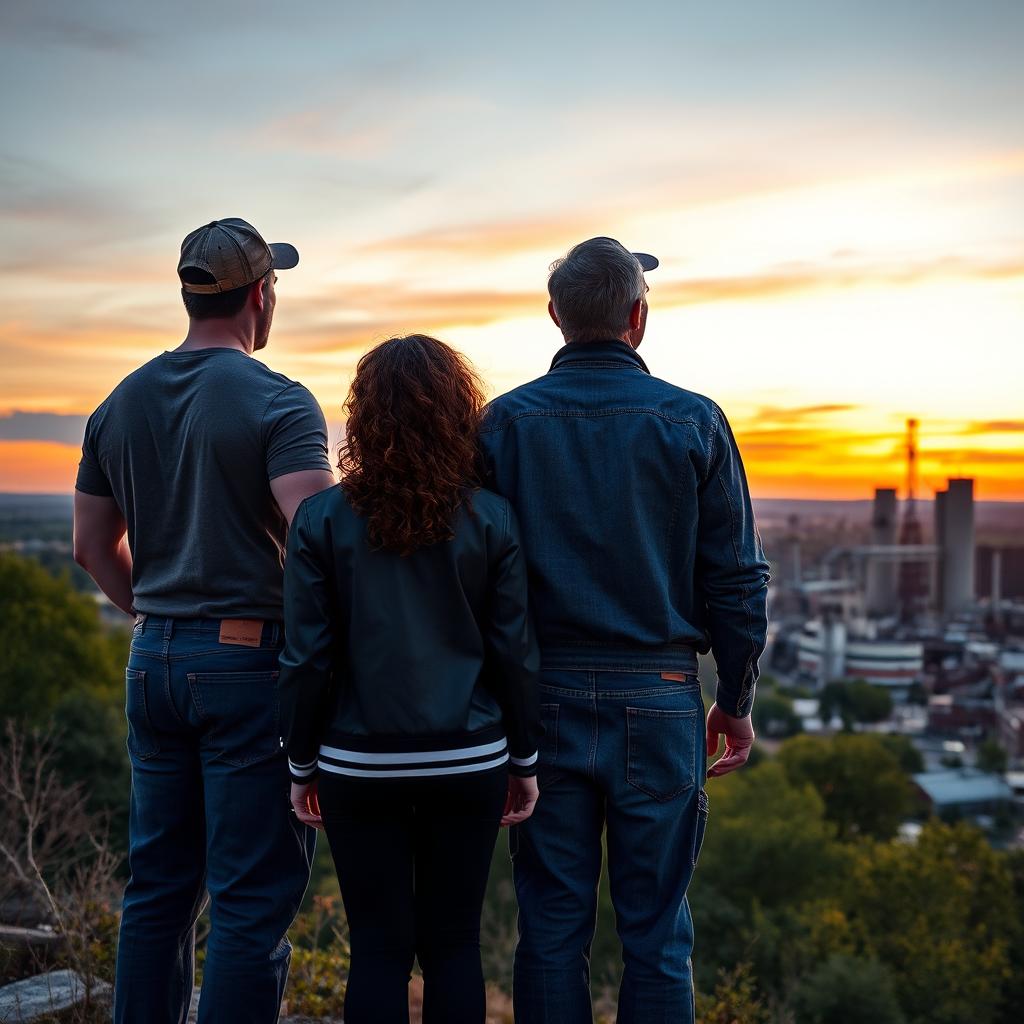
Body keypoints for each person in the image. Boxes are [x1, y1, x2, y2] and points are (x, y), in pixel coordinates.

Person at [478, 237, 771, 1023]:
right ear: (638, 318)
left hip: (541, 703)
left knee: (548, 929)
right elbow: (738, 583)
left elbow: (473, 585)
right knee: (657, 936)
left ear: (556, 318)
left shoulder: (500, 427)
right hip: (662, 697)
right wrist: (735, 700)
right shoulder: (695, 422)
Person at [73, 218, 337, 1024]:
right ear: (261, 295)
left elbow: (90, 549)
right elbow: (321, 538)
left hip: (152, 661)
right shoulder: (278, 401)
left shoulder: (117, 404)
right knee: (250, 902)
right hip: (248, 671)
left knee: (156, 893)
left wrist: (159, 619)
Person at [279, 334, 543, 1024]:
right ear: (460, 414)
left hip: (356, 763)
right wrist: (525, 758)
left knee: (377, 949)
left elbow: (306, 658)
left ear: (363, 417)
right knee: (454, 944)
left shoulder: (320, 519)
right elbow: (514, 652)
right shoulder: (493, 518)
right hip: (470, 758)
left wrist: (301, 764)